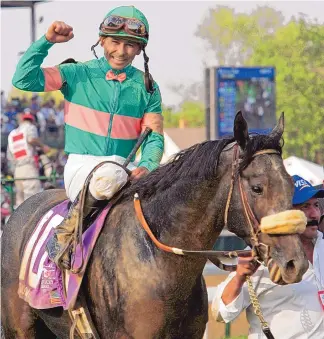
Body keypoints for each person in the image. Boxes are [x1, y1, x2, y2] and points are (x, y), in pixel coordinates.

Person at [12, 5, 164, 270]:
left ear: (140, 49)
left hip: (127, 171)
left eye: (130, 45)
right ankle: (65, 233)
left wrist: (147, 165)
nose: (121, 51)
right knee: (109, 176)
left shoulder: (148, 87)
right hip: (84, 168)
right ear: (101, 40)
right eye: (115, 41)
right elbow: (23, 80)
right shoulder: (75, 73)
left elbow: (154, 137)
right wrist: (46, 42)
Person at [211, 175, 324, 339]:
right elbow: (222, 313)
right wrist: (240, 277)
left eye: (316, 205)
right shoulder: (264, 254)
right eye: (305, 207)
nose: (314, 214)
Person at [7, 112, 49, 207]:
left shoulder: (12, 134)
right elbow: (31, 139)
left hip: (17, 171)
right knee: (33, 201)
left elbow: (9, 156)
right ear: (32, 120)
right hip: (29, 168)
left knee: (20, 203)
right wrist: (43, 146)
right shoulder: (30, 127)